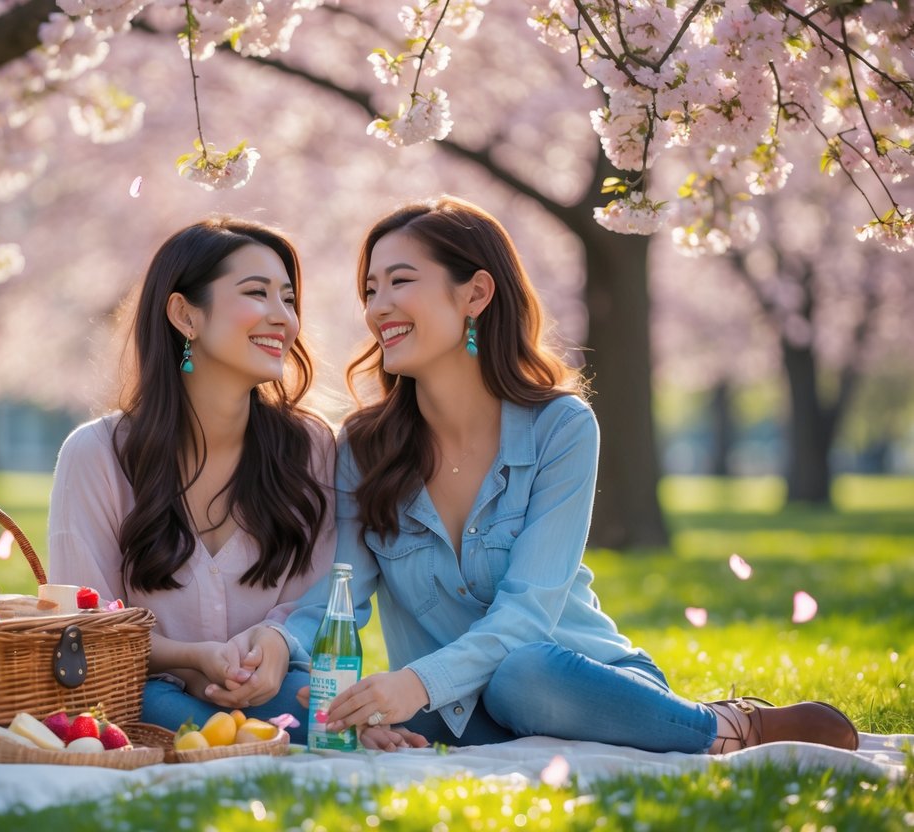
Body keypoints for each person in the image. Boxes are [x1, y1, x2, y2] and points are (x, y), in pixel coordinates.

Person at [248, 195, 859, 753]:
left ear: (476, 295)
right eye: (370, 290)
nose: (379, 308)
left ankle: (722, 726)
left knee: (522, 673)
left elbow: (528, 614)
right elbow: (340, 594)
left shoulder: (560, 427)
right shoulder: (364, 445)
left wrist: (414, 684)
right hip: (450, 710)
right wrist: (278, 648)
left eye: (399, 282)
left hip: (564, 681)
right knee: (294, 699)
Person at [47, 218, 336, 744]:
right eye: (256, 293)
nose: (284, 318)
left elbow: (315, 602)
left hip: (273, 684)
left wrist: (275, 643)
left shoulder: (310, 449)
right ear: (185, 315)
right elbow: (85, 627)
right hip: (140, 687)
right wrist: (189, 660)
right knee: (188, 724)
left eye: (288, 299)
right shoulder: (96, 455)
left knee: (316, 714)